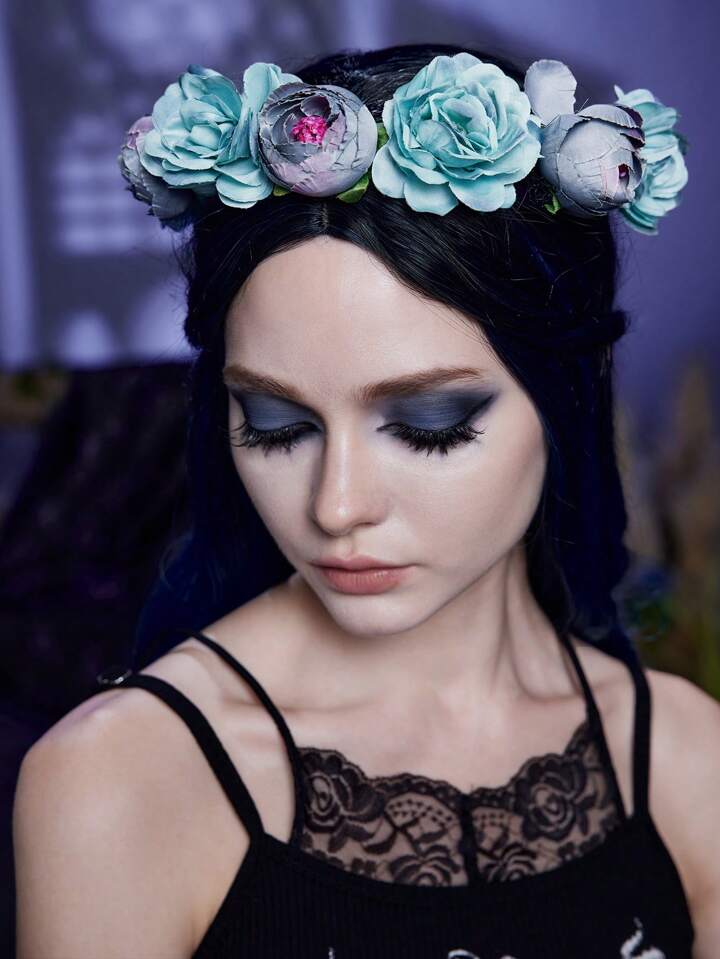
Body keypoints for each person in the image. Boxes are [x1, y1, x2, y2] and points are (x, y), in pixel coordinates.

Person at [12, 41, 718, 959]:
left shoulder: (689, 761)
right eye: (276, 425)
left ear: (565, 398)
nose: (336, 506)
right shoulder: (122, 781)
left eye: (428, 425)